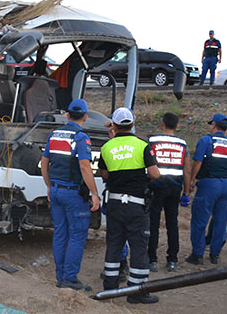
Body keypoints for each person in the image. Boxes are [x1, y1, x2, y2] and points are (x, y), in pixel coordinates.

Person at [99, 107, 160, 303]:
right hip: (136, 205)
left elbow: (105, 175)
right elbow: (155, 174)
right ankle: (136, 292)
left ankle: (109, 288)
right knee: (138, 246)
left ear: (114, 126)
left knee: (114, 244)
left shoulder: (106, 148)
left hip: (115, 203)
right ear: (132, 124)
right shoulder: (142, 146)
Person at [40, 99, 100, 291]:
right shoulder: (81, 137)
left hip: (56, 190)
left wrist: (49, 185)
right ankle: (70, 279)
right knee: (77, 235)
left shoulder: (54, 134)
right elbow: (84, 166)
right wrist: (94, 193)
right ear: (85, 117)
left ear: (67, 115)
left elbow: (44, 162)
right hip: (73, 193)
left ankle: (60, 277)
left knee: (60, 233)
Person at [185, 113, 227, 265]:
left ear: (214, 125)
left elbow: (198, 162)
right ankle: (215, 255)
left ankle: (197, 254)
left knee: (200, 219)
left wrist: (191, 181)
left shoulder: (207, 140)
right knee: (220, 221)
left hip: (209, 184)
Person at [147, 112, 187, 272]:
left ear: (162, 123)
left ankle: (152, 260)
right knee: (172, 224)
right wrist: (186, 189)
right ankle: (172, 260)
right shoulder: (182, 144)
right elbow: (187, 168)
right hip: (174, 188)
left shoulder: (152, 141)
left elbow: (147, 164)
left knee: (153, 223)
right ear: (177, 126)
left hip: (156, 186)